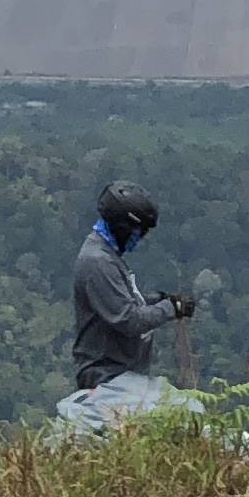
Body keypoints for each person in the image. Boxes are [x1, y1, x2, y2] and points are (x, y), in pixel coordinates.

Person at [58, 181, 198, 435]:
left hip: (124, 375)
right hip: (107, 376)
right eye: (139, 232)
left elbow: (122, 301)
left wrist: (156, 299)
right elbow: (128, 320)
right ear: (124, 227)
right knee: (187, 415)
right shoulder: (98, 262)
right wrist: (171, 308)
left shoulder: (107, 257)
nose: (140, 238)